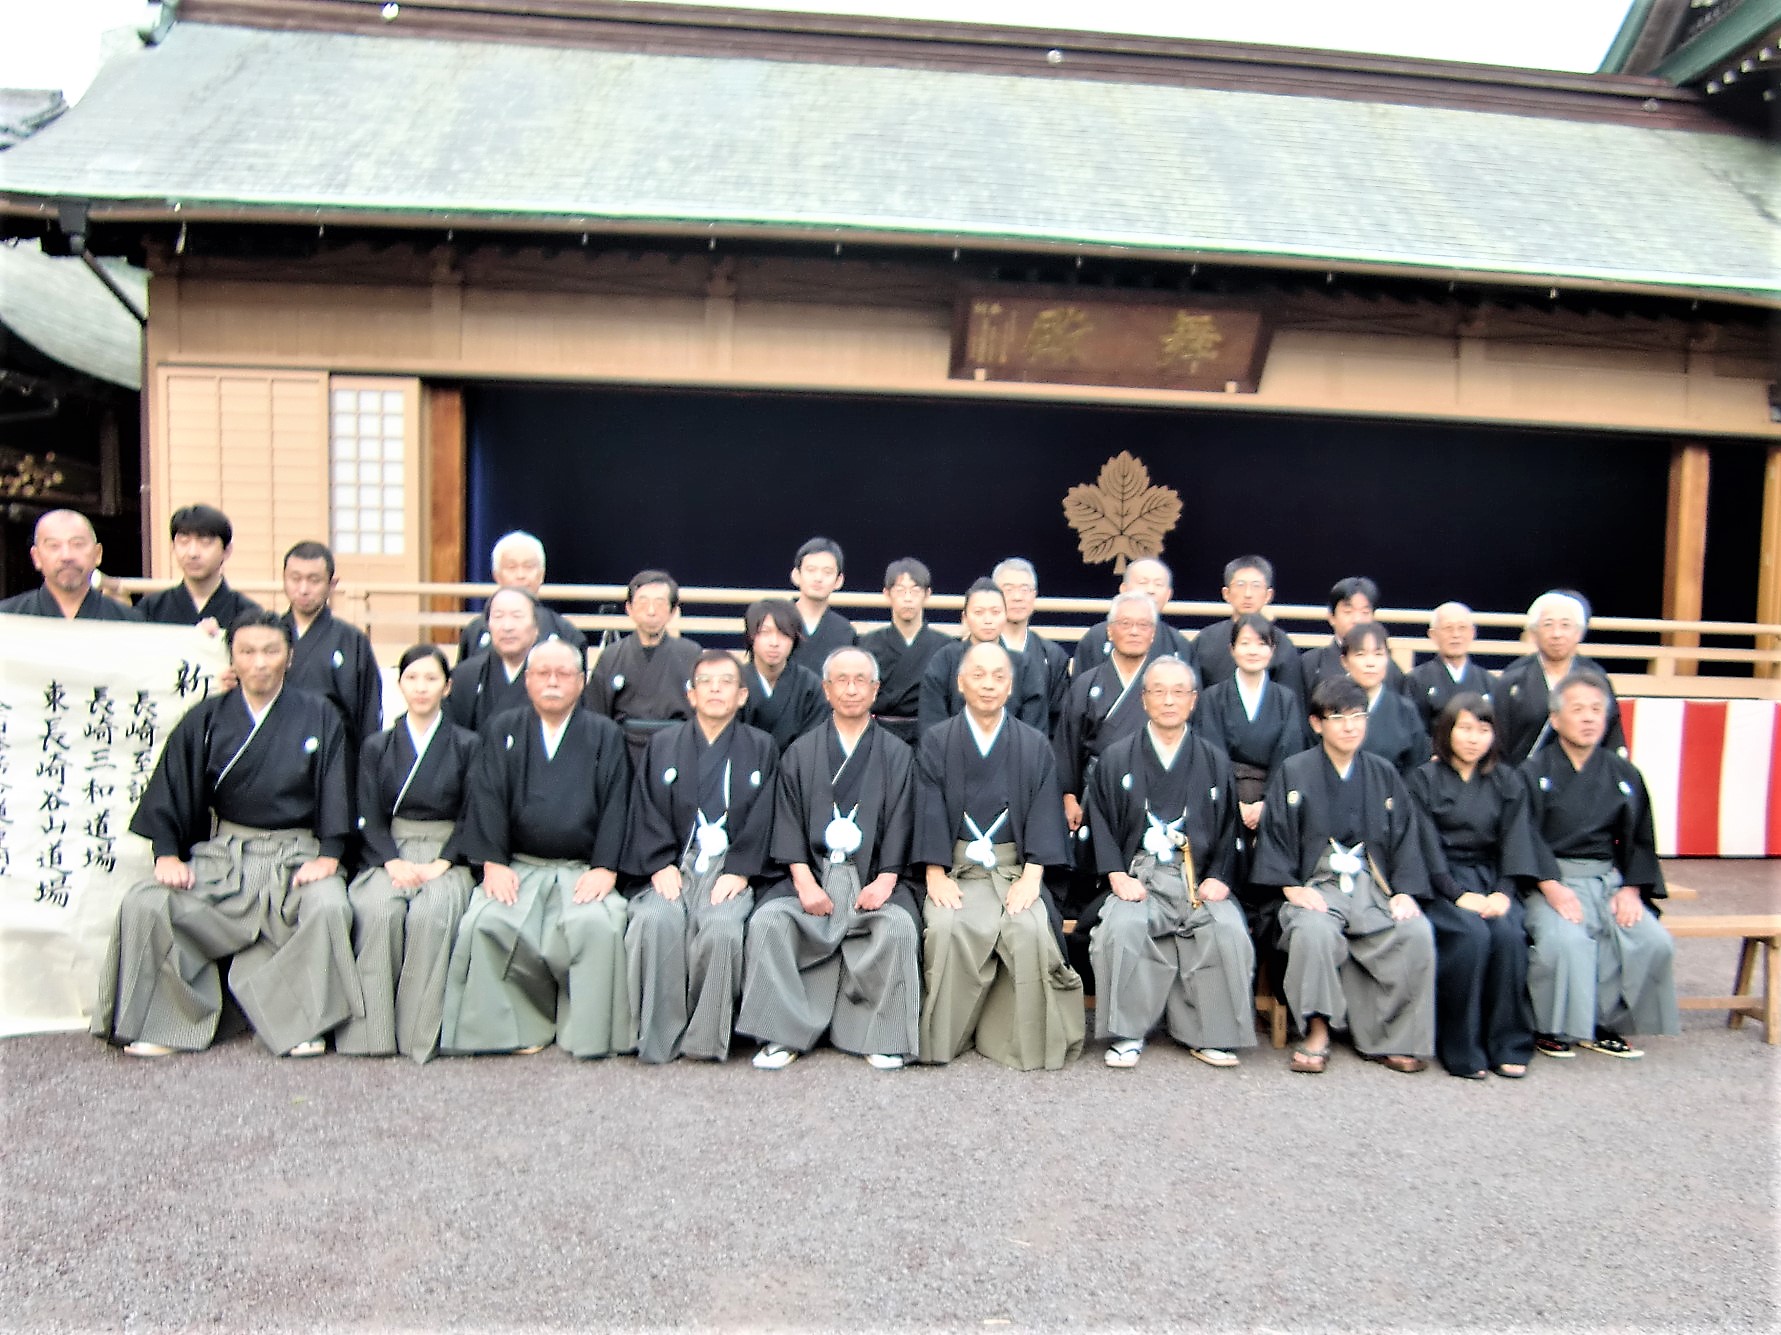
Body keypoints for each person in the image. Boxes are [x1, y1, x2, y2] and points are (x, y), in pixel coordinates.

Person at [90, 610, 358, 1058]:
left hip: (296, 854)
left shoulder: (320, 715)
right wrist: (167, 852)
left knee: (329, 905)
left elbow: (336, 784)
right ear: (231, 656)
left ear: (289, 656)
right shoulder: (208, 717)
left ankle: (301, 1024)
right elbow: (175, 781)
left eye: (271, 651)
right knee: (147, 901)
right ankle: (167, 1023)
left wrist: (330, 853)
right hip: (226, 855)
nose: (259, 662)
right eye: (247, 651)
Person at [441, 639, 633, 1058]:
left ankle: (588, 1031)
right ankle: (512, 1029)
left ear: (581, 683)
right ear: (527, 681)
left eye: (563, 674)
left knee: (599, 926)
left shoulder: (605, 734)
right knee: (487, 922)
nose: (552, 682)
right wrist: (491, 861)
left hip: (580, 867)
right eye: (542, 673)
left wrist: (605, 867)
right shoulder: (502, 728)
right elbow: (486, 794)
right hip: (519, 865)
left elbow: (619, 801)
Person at [737, 647, 923, 1071]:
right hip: (814, 876)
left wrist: (887, 881)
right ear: (826, 688)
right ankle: (783, 1034)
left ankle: (881, 1036)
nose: (852, 689)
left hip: (873, 878)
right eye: (842, 680)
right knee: (769, 922)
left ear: (876, 690)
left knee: (897, 927)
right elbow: (785, 822)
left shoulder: (897, 754)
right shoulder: (800, 753)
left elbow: (902, 822)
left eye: (862, 680)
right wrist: (803, 883)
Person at [1251, 676, 1436, 1075]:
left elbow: (1405, 836)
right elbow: (1276, 836)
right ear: (1317, 723)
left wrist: (1405, 891)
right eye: (1338, 717)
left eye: (1358, 716)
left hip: (1374, 885)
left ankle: (1394, 1038)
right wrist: (1290, 887)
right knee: (1313, 931)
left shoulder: (1383, 773)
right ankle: (1317, 1031)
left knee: (1414, 932)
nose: (1350, 726)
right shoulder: (1294, 771)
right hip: (1314, 884)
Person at [914, 641, 1084, 1070]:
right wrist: (934, 873)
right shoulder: (937, 741)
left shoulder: (1033, 744)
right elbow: (929, 808)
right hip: (956, 867)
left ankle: (1018, 1041)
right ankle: (946, 1038)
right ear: (960, 683)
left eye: (998, 677)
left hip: (1013, 869)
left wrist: (1032, 877)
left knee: (1029, 927)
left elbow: (1046, 812)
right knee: (947, 924)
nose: (988, 685)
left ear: (1010, 687)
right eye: (978, 675)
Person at [1084, 656, 1254, 1069]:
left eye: (1179, 692)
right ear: (1143, 700)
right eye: (1158, 691)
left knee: (1227, 928)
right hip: (1139, 874)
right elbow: (1100, 822)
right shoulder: (1116, 757)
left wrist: (1219, 876)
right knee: (1122, 926)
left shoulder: (1213, 760)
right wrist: (1116, 874)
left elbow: (1231, 825)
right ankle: (1128, 1031)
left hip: (1196, 877)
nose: (1168, 700)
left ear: (1193, 701)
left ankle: (1211, 1033)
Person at [623, 650, 778, 1062]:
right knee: (655, 919)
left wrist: (743, 870)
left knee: (724, 928)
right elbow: (645, 806)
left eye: (725, 682)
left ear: (742, 695)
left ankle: (707, 1037)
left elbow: (767, 814)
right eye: (705, 682)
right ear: (690, 695)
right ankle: (659, 1035)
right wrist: (658, 863)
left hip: (730, 864)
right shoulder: (663, 745)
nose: (714, 689)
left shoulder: (762, 747)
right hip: (676, 861)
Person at [1520, 671, 1677, 1059]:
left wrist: (1631, 889)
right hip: (1552, 878)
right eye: (1577, 710)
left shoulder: (1624, 773)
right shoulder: (1532, 772)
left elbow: (1641, 837)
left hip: (1608, 878)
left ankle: (1601, 1023)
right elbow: (1523, 836)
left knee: (1650, 939)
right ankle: (1552, 1027)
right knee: (1565, 940)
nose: (1588, 718)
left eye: (1596, 710)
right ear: (1555, 719)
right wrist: (1551, 887)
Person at [336, 645, 481, 1063]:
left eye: (432, 679)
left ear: (448, 686)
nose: (421, 688)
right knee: (378, 909)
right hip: (391, 849)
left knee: (432, 913)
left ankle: (421, 1034)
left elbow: (474, 810)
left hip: (443, 852)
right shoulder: (378, 746)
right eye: (412, 678)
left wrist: (445, 860)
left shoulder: (468, 744)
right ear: (399, 684)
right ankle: (372, 1033)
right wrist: (390, 859)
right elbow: (367, 811)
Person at [1406, 694, 1541, 1079]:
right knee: (1470, 936)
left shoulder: (1507, 780)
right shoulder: (1423, 780)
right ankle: (1462, 1047)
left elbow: (1515, 843)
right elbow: (1425, 845)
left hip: (1492, 879)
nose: (1473, 738)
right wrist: (1455, 893)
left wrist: (1503, 892)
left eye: (1483, 729)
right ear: (1446, 731)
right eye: (1464, 728)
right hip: (1442, 883)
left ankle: (1507, 1044)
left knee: (1509, 934)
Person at [1194, 613, 1310, 903]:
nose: (1253, 650)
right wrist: (1236, 803)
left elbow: (1289, 752)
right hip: (1223, 794)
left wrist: (1266, 802)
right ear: (1232, 649)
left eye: (1261, 644)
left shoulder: (1285, 699)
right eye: (1245, 643)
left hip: (1272, 794)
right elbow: (1212, 752)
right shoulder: (1212, 697)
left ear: (1272, 650)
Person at [1054, 592, 1157, 864]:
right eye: (1125, 624)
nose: (1134, 631)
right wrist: (1069, 796)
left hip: (1153, 789)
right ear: (1110, 631)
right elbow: (1067, 745)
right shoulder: (1087, 685)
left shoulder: (1165, 687)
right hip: (1096, 787)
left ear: (1153, 634)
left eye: (1143, 625)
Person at [582, 569, 703, 765]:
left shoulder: (690, 654)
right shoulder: (612, 655)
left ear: (673, 611)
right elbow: (596, 713)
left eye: (660, 603)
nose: (651, 611)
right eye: (643, 602)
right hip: (622, 752)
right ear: (629, 608)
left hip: (677, 750)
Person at [1496, 591, 1626, 766]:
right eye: (1548, 625)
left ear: (1579, 633)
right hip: (1524, 784)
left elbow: (1611, 737)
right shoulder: (1513, 679)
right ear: (1534, 633)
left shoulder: (1595, 678)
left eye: (1565, 625)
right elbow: (1498, 744)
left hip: (1584, 784)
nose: (1557, 634)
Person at [278, 541, 384, 751]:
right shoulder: (270, 635)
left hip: (337, 753)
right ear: (284, 580)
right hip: (280, 749)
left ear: (332, 584)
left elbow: (368, 710)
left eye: (314, 580)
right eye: (295, 579)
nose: (303, 589)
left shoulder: (352, 640)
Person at [918, 579, 1047, 734]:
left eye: (995, 612)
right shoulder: (945, 660)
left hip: (1013, 753)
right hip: (952, 751)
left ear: (1006, 615)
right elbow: (931, 723)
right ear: (965, 617)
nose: (988, 620)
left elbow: (1033, 730)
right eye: (979, 612)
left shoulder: (1024, 665)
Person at [455, 530, 587, 666]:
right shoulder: (475, 631)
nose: (520, 575)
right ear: (497, 576)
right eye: (511, 567)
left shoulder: (565, 631)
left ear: (541, 575)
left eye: (529, 566)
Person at [860, 557, 950, 746]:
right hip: (879, 737)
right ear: (887, 593)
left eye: (915, 590)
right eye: (900, 590)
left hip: (930, 736)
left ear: (927, 594)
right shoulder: (867, 644)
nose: (907, 598)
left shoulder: (946, 647)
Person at [135, 504, 263, 630]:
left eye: (205, 542)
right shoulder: (151, 608)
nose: (193, 553)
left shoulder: (247, 613)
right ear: (172, 547)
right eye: (184, 542)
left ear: (227, 550)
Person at [0, 508, 138, 620]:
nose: (66, 556)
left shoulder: (128, 621)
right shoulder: (7, 618)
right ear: (36, 557)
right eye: (54, 546)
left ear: (97, 554)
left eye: (77, 544)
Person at [1189, 555, 1301, 690]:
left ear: (1268, 595)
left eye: (1256, 585)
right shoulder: (1205, 640)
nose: (1248, 594)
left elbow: (1290, 699)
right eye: (1240, 585)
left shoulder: (1281, 643)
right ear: (1226, 593)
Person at [1069, 557, 1190, 673]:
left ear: (1169, 594)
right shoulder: (1095, 638)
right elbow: (1080, 688)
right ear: (1123, 589)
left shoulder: (1178, 643)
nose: (1150, 590)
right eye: (1143, 582)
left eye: (1158, 584)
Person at [445, 586, 540, 733]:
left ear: (536, 627)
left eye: (517, 616)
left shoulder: (552, 676)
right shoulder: (465, 675)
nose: (507, 627)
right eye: (498, 616)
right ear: (488, 625)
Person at [738, 598, 828, 752]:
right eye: (765, 632)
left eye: (783, 633)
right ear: (750, 636)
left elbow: (814, 742)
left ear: (795, 637)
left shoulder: (809, 685)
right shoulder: (736, 682)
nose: (774, 642)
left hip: (796, 770)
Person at [1341, 623, 1429, 775]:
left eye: (1378, 654)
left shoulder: (1405, 710)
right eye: (1360, 654)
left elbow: (1417, 766)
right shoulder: (1329, 704)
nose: (1370, 663)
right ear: (1345, 661)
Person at [994, 557, 1071, 731]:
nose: (1017, 597)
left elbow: (1059, 717)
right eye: (1008, 589)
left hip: (1037, 749)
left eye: (1025, 589)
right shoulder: (977, 651)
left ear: (1034, 595)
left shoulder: (1052, 655)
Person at [1298, 577, 1404, 701]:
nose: (1357, 620)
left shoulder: (1387, 667)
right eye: (1348, 611)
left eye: (1365, 612)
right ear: (1332, 617)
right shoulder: (1311, 663)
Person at [1404, 601, 1496, 732]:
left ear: (1472, 633)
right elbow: (1413, 730)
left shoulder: (1489, 682)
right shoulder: (1416, 680)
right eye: (1448, 628)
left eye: (1462, 628)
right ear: (1433, 635)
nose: (1456, 635)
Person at [787, 537, 857, 673]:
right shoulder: (779, 620)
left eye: (827, 572)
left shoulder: (844, 631)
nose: (818, 578)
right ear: (796, 575)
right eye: (811, 570)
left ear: (839, 580)